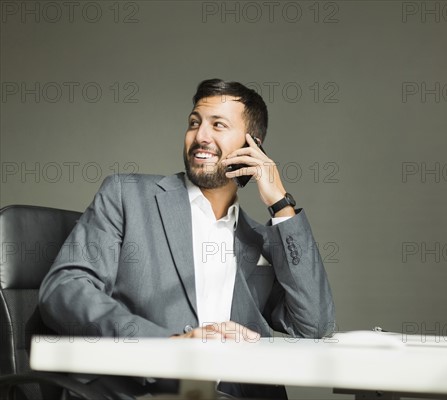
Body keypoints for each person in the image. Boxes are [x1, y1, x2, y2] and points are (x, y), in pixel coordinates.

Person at [38, 79, 335, 399]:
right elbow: (65, 288)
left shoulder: (261, 240)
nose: (201, 136)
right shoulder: (128, 197)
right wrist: (167, 346)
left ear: (253, 147)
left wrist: (280, 203)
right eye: (195, 123)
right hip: (142, 391)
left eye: (218, 125)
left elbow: (313, 326)